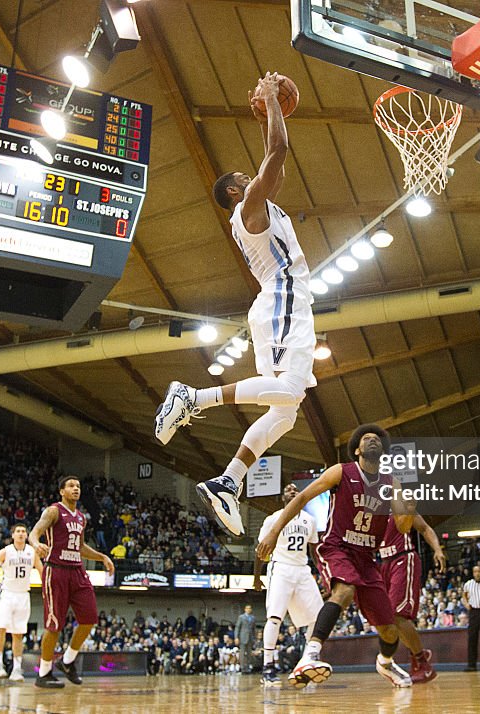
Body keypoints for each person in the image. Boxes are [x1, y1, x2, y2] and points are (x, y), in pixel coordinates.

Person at [155, 72, 316, 538]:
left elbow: (276, 162)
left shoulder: (259, 206)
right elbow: (277, 156)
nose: (254, 177)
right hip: (284, 296)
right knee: (287, 393)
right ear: (234, 191)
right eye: (245, 179)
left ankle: (229, 482)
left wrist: (273, 115)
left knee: (285, 412)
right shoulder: (248, 208)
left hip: (278, 303)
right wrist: (269, 100)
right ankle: (193, 397)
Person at [257, 423, 419, 688]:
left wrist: (409, 508)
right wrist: (274, 532)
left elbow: (403, 526)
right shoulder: (341, 472)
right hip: (337, 547)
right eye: (367, 438)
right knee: (344, 590)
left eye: (377, 438)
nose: (373, 440)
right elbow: (302, 498)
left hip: (368, 559)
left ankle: (386, 663)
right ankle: (310, 655)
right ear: (357, 449)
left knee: (389, 631)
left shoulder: (392, 484)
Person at [29, 475, 115, 689]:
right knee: (54, 625)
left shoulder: (81, 517)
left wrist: (102, 557)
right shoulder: (53, 511)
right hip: (56, 570)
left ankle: (67, 661)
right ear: (62, 491)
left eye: (77, 486)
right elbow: (35, 532)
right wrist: (35, 544)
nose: (75, 489)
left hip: (77, 570)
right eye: (70, 486)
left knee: (89, 617)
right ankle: (45, 672)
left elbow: (81, 547)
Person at [253, 483, 324, 685]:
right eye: (287, 489)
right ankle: (268, 666)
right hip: (281, 568)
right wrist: (257, 577)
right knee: (274, 618)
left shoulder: (310, 520)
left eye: (295, 489)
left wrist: (322, 574)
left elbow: (313, 553)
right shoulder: (273, 519)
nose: (292, 491)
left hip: (302, 570)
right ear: (282, 497)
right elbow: (261, 550)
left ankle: (306, 662)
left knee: (318, 619)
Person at [377, 513, 445, 682]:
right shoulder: (370, 512)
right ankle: (418, 656)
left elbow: (424, 528)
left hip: (403, 558)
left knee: (397, 614)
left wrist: (437, 549)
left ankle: (423, 663)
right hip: (384, 564)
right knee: (389, 620)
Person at [0, 522, 42, 681]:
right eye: (18, 531)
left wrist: (49, 591)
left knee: (18, 634)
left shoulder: (32, 552)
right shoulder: (5, 552)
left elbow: (42, 571)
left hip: (23, 595)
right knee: (1, 628)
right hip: (7, 594)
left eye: (23, 531)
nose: (21, 533)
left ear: (26, 535)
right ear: (12, 535)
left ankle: (16, 669)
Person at [234, 605, 257, 674]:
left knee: (249, 653)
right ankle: (242, 667)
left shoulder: (253, 618)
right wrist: (236, 637)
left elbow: (254, 629)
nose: (248, 609)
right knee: (242, 653)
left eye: (250, 608)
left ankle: (248, 667)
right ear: (245, 609)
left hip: (250, 637)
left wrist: (254, 638)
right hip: (242, 637)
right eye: (247, 608)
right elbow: (237, 627)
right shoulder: (241, 617)